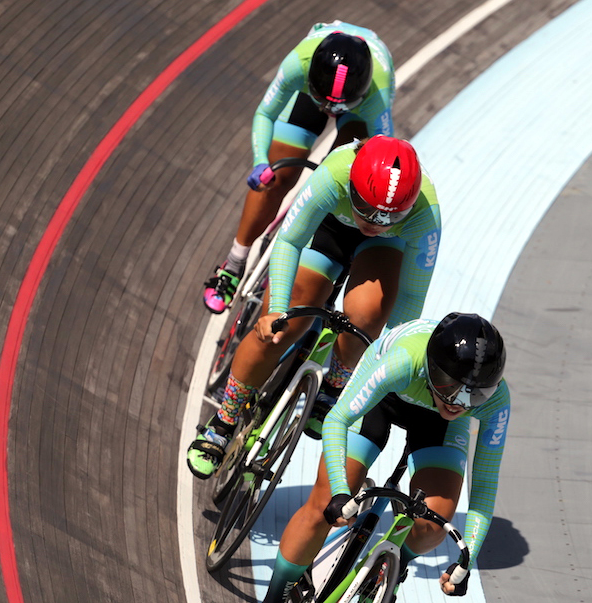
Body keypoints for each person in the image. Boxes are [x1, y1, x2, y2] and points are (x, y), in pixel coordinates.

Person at [232, 313, 511, 603]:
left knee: (432, 526)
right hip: (387, 396)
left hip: (437, 427)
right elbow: (337, 420)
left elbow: (484, 486)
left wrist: (467, 558)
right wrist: (338, 492)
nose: (458, 401)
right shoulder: (404, 362)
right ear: (431, 366)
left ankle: (395, 565)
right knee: (323, 507)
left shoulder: (492, 402)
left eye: (475, 394)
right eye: (449, 385)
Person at [187, 134, 441, 478]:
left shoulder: (426, 215)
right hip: (332, 227)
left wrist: (387, 356)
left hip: (384, 248)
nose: (374, 223)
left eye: (388, 217)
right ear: (351, 184)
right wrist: (277, 309)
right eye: (366, 210)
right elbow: (290, 239)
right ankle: (224, 419)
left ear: (408, 209)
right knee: (280, 327)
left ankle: (334, 385)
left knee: (367, 316)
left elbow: (409, 302)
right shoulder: (336, 171)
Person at [202, 21, 396, 314]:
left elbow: (377, 158)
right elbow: (265, 114)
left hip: (359, 104)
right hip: (322, 88)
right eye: (323, 102)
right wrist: (260, 161)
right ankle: (234, 263)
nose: (330, 111)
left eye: (337, 107)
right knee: (276, 177)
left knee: (350, 175)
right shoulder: (299, 63)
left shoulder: (375, 98)